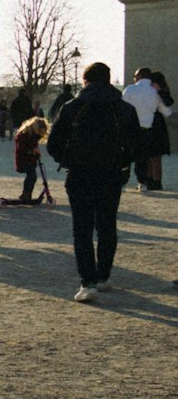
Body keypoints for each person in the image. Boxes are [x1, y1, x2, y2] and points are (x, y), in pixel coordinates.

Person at [47, 61, 141, 303]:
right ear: (109, 81)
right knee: (107, 225)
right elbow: (136, 145)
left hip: (79, 174)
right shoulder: (125, 109)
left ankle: (87, 282)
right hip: (111, 174)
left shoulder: (71, 107)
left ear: (85, 81)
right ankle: (103, 275)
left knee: (82, 229)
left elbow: (53, 144)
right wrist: (122, 161)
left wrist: (68, 159)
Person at [121, 67, 173, 191]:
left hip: (130, 128)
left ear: (139, 76)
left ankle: (122, 181)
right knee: (143, 157)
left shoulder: (130, 89)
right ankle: (143, 182)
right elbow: (166, 111)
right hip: (147, 128)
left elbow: (122, 107)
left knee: (125, 155)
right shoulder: (154, 92)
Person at [145, 72, 173, 190]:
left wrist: (159, 91)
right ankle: (154, 181)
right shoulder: (157, 90)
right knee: (154, 156)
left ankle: (153, 181)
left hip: (153, 122)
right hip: (157, 123)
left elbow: (168, 102)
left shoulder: (155, 90)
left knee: (153, 156)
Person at [12, 116, 49, 202]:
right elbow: (21, 149)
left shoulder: (34, 135)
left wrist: (36, 153)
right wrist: (32, 151)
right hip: (24, 160)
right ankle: (25, 195)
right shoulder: (24, 135)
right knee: (32, 176)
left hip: (30, 159)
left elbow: (34, 146)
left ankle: (27, 194)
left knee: (32, 177)